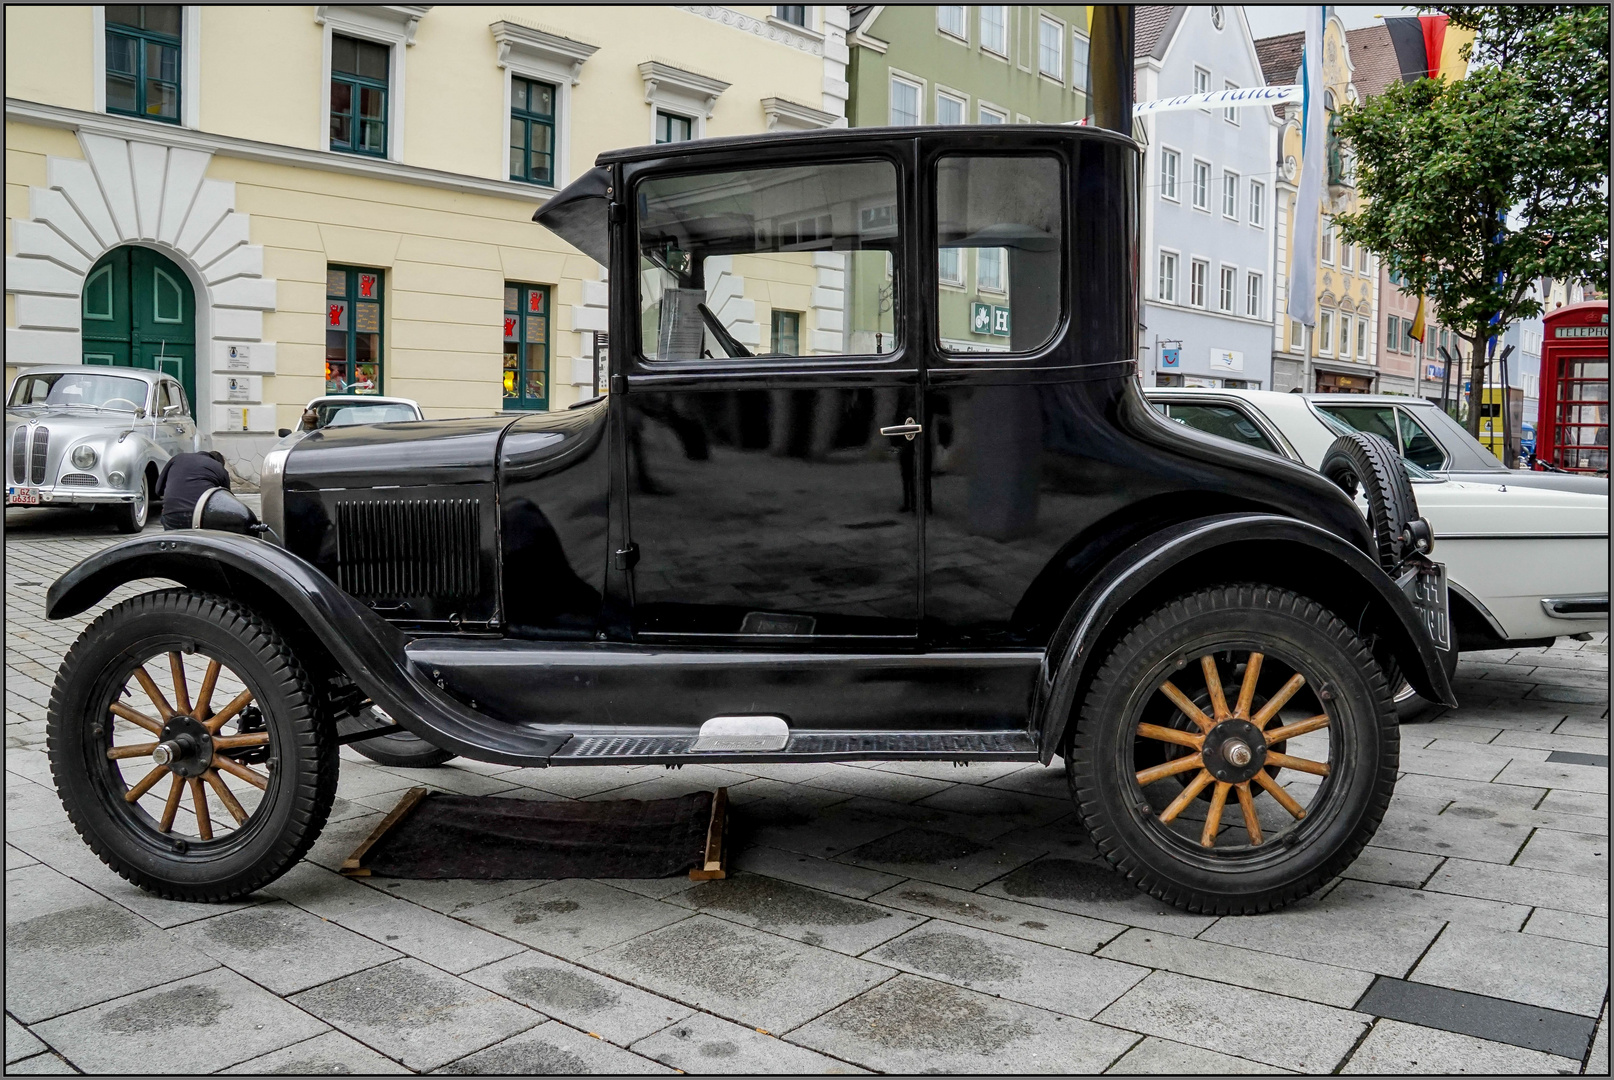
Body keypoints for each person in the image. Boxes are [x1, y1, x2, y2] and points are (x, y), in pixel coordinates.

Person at [154, 450, 231, 530]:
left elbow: (158, 490)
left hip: (171, 516)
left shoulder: (178, 458)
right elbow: (228, 503)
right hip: (201, 517)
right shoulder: (219, 467)